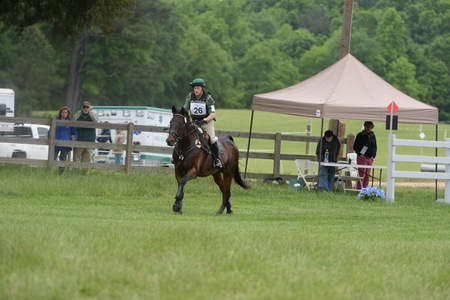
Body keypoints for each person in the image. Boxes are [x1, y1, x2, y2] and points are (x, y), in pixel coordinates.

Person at [183, 78, 222, 169]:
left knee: (212, 139)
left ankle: (217, 160)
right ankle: (180, 156)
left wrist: (204, 120)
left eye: (198, 88)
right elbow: (185, 109)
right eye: (195, 88)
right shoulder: (190, 97)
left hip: (206, 123)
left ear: (202, 89)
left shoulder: (208, 98)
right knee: (183, 135)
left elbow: (213, 114)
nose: (196, 90)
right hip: (194, 122)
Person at [353, 121, 377, 189]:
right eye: (367, 126)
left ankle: (365, 189)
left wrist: (373, 156)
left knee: (367, 175)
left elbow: (375, 146)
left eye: (370, 127)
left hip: (370, 158)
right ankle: (359, 189)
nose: (368, 128)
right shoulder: (360, 135)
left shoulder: (373, 136)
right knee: (361, 174)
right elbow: (355, 146)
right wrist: (360, 154)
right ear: (365, 126)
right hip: (362, 157)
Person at [54, 106, 76, 174]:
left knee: (62, 158)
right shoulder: (56, 121)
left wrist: (73, 137)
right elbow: (51, 131)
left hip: (66, 143)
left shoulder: (70, 122)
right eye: (63, 112)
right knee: (53, 157)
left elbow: (74, 132)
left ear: (68, 113)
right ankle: (49, 171)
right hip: (56, 142)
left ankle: (61, 173)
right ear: (60, 113)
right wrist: (50, 136)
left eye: (66, 112)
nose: (64, 114)